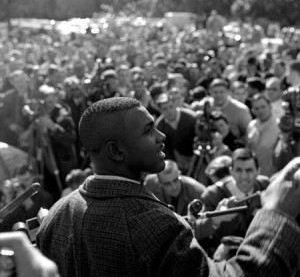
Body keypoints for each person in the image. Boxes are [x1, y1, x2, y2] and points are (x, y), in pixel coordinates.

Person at [37, 97, 300, 277]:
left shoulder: (58, 213)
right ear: (115, 150)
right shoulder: (153, 225)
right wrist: (276, 216)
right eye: (149, 130)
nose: (161, 137)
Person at [194, 148, 270, 254]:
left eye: (249, 170)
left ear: (258, 171)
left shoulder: (266, 186)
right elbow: (195, 230)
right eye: (239, 170)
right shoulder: (213, 195)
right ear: (231, 171)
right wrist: (216, 219)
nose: (243, 176)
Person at [155, 93, 197, 174]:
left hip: (197, 157)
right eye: (165, 109)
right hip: (179, 160)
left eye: (171, 107)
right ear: (160, 110)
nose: (169, 111)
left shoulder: (191, 117)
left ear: (175, 104)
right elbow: (165, 150)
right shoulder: (160, 126)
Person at [247, 94, 280, 176]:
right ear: (253, 111)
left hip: (272, 173)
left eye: (263, 107)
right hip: (253, 173)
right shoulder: (252, 125)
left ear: (269, 106)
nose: (260, 111)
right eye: (256, 108)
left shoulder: (279, 126)